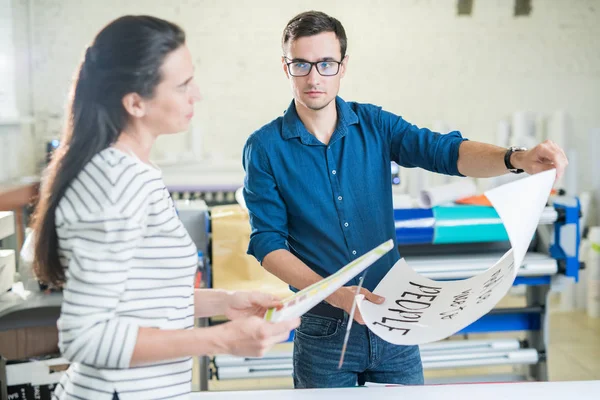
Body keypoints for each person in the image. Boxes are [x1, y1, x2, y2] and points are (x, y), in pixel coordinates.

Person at [242, 10, 568, 389]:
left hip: (394, 318)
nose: (314, 77)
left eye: (326, 64)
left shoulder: (376, 125)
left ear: (343, 66)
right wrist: (336, 293)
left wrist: (517, 159)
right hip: (323, 329)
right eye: (301, 64)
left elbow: (444, 152)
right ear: (286, 67)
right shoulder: (265, 147)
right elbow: (266, 241)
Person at [31, 15, 299, 400]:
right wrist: (218, 340)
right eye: (183, 85)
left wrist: (223, 302)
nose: (197, 95)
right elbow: (84, 338)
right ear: (135, 102)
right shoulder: (114, 180)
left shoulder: (138, 171)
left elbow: (143, 300)